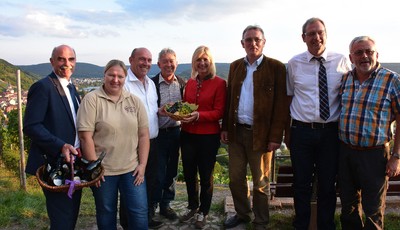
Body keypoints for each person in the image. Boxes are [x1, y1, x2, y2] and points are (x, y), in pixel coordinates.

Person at [285, 17, 351, 230]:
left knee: (328, 185)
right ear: (303, 38)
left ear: (326, 34)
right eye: (311, 34)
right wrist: (287, 132)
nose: (316, 37)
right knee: (301, 184)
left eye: (320, 32)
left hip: (331, 133)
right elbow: (289, 98)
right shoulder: (294, 63)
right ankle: (301, 225)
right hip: (301, 132)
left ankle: (326, 226)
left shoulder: (342, 61)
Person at [220, 25, 288, 230]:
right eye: (248, 40)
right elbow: (229, 99)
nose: (253, 43)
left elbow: (281, 105)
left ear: (264, 42)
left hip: (261, 135)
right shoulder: (234, 67)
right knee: (235, 179)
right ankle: (243, 214)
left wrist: (276, 136)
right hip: (236, 132)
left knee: (260, 183)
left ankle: (261, 221)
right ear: (242, 44)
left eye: (257, 39)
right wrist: (225, 127)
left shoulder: (276, 67)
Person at [77, 59, 149, 230]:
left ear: (125, 78)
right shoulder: (92, 100)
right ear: (104, 76)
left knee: (139, 212)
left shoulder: (135, 101)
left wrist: (143, 165)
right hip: (104, 172)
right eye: (111, 75)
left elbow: (144, 135)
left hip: (132, 170)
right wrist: (95, 169)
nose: (115, 79)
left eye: (120, 76)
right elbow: (85, 137)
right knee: (106, 212)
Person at [338, 36, 400, 229]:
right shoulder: (345, 79)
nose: (364, 56)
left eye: (369, 52)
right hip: (346, 152)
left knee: (373, 210)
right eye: (358, 52)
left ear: (377, 54)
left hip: (375, 155)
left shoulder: (392, 80)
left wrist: (397, 156)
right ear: (351, 57)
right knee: (348, 206)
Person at [23, 44, 82, 230]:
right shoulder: (42, 87)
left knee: (71, 213)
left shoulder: (72, 89)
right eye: (61, 59)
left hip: (72, 165)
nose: (67, 64)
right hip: (53, 164)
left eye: (71, 59)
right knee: (62, 218)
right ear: (52, 62)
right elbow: (31, 126)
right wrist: (60, 146)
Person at [178, 45, 226, 229]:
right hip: (187, 134)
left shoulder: (220, 83)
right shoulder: (190, 82)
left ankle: (203, 212)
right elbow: (185, 105)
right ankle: (192, 206)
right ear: (194, 62)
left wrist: (199, 115)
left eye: (205, 59)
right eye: (198, 59)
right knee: (189, 174)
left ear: (211, 62)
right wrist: (180, 114)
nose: (202, 62)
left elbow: (219, 112)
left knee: (206, 176)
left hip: (208, 136)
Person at [120, 47, 163, 229]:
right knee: (131, 186)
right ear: (131, 59)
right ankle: (128, 223)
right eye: (142, 59)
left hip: (152, 142)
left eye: (149, 60)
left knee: (150, 182)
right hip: (132, 144)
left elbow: (150, 112)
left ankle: (145, 219)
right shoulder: (124, 83)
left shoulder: (151, 84)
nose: (146, 63)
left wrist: (162, 112)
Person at [151, 48, 186, 221]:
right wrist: (159, 111)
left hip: (176, 132)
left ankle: (166, 204)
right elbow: (146, 109)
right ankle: (153, 205)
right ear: (158, 64)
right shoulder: (151, 84)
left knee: (172, 171)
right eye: (165, 61)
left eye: (171, 61)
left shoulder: (181, 83)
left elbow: (186, 106)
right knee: (157, 173)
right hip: (158, 134)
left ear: (176, 63)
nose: (168, 64)